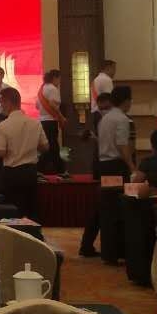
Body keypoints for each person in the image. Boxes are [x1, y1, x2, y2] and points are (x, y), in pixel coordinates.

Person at [80, 85, 135, 257]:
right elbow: (122, 145)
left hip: (104, 166)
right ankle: (114, 252)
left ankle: (104, 250)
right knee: (117, 210)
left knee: (105, 207)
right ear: (126, 101)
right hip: (116, 167)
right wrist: (132, 167)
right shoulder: (122, 119)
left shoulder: (105, 118)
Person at [0, 87, 48, 218]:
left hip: (11, 173)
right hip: (30, 172)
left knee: (12, 212)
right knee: (30, 210)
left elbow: (1, 153)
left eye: (2, 102)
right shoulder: (35, 123)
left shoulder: (3, 126)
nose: (1, 106)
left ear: (8, 102)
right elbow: (45, 147)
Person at [36, 69, 67, 174]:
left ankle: (46, 169)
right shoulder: (53, 89)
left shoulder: (42, 88)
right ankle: (59, 170)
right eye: (59, 79)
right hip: (50, 120)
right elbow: (53, 105)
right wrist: (61, 117)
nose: (59, 82)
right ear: (55, 78)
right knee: (53, 146)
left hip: (42, 121)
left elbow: (37, 106)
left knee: (48, 146)